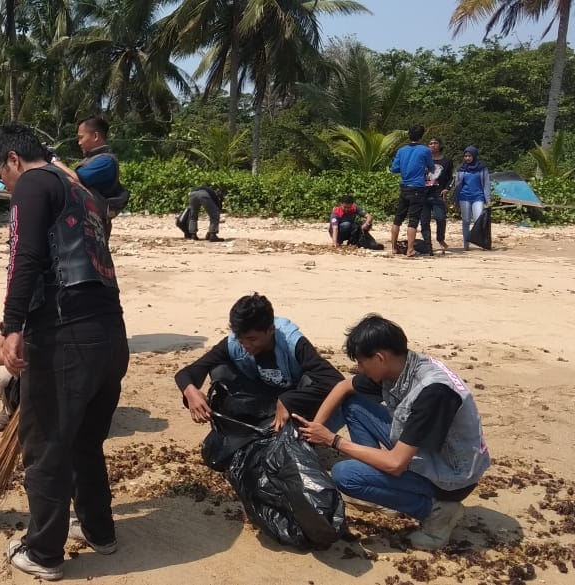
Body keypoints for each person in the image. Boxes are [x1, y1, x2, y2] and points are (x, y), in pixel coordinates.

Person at [0, 123, 128, 581]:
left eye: (0, 175)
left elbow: (25, 256)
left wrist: (11, 327)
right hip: (111, 334)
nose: (4, 185)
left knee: (47, 445)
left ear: (13, 159)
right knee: (86, 442)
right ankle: (100, 531)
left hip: (67, 336)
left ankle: (44, 553)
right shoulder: (84, 192)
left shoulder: (33, 183)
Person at [292, 314, 490, 551]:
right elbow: (343, 386)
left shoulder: (433, 392)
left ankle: (437, 512)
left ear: (379, 358)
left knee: (345, 475)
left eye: (362, 362)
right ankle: (382, 488)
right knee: (354, 405)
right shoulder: (401, 366)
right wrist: (315, 429)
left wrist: (333, 440)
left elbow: (396, 463)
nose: (359, 369)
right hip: (429, 449)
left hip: (452, 477)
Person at [175, 293, 345, 431]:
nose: (246, 344)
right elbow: (186, 373)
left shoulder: (292, 343)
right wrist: (190, 392)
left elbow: (335, 381)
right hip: (259, 399)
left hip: (293, 403)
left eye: (252, 339)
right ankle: (240, 428)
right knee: (219, 370)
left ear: (270, 330)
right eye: (241, 338)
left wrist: (289, 399)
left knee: (316, 382)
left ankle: (305, 435)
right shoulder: (234, 343)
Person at [53, 116, 128, 241]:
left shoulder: (105, 161)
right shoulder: (92, 159)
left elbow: (76, 179)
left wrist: (54, 161)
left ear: (95, 136)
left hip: (93, 224)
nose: (79, 142)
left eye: (81, 137)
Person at [390, 125, 434, 258]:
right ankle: (410, 249)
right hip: (417, 187)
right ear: (421, 136)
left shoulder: (401, 150)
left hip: (404, 186)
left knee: (398, 218)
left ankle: (393, 247)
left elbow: (394, 169)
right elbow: (431, 167)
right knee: (413, 220)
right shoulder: (425, 150)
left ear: (409, 135)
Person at [451, 146, 491, 251]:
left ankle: (481, 242)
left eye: (469, 156)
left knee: (479, 220)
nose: (467, 158)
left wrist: (488, 200)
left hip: (478, 197)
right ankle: (466, 244)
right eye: (466, 156)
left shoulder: (482, 168)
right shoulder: (461, 169)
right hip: (464, 197)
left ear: (474, 156)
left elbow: (486, 184)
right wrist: (455, 200)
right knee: (466, 221)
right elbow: (457, 185)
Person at [421, 138, 453, 254]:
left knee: (440, 218)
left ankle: (440, 238)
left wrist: (447, 189)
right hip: (423, 194)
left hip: (438, 194)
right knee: (424, 221)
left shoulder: (447, 161)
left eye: (435, 143)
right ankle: (428, 245)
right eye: (430, 143)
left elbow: (450, 178)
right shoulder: (423, 160)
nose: (433, 145)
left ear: (440, 145)